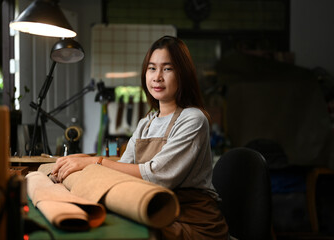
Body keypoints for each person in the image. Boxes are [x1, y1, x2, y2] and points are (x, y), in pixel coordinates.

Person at [51, 36, 229, 240]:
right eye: (152, 68)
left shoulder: (193, 119)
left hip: (194, 223)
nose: (157, 77)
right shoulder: (147, 122)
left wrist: (94, 161)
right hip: (157, 211)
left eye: (167, 69)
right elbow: (124, 168)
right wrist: (82, 163)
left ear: (183, 74)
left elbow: (157, 176)